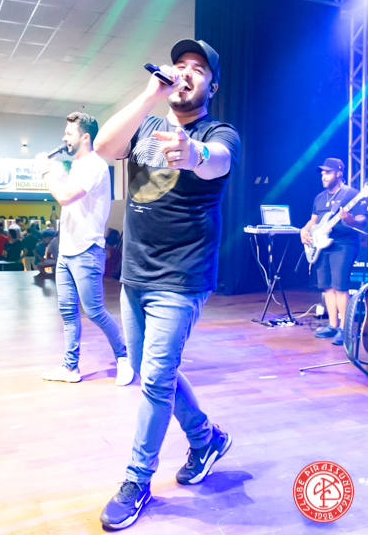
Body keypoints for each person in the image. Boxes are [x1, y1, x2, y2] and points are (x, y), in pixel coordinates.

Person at [93, 38, 241, 529]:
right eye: (180, 64)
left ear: (211, 86)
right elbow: (104, 147)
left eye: (198, 68)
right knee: (148, 369)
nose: (186, 72)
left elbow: (217, 159)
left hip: (181, 275)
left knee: (156, 380)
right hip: (136, 272)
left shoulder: (219, 132)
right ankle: (206, 438)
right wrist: (149, 95)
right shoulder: (148, 124)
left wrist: (193, 152)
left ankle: (137, 480)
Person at [35, 111, 134, 387]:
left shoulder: (94, 166)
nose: (64, 138)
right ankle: (70, 367)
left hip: (87, 250)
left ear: (85, 137)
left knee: (95, 311)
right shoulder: (78, 166)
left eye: (69, 133)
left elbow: (65, 198)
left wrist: (46, 171)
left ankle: (124, 358)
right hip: (67, 252)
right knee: (68, 312)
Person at [300, 158, 367, 345]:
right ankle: (333, 325)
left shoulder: (352, 194)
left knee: (340, 286)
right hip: (322, 245)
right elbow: (313, 221)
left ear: (338, 173)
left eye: (327, 172)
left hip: (343, 244)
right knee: (327, 286)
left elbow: (361, 220)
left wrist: (350, 219)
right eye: (322, 173)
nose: (323, 176)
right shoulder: (319, 197)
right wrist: (304, 230)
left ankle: (345, 330)